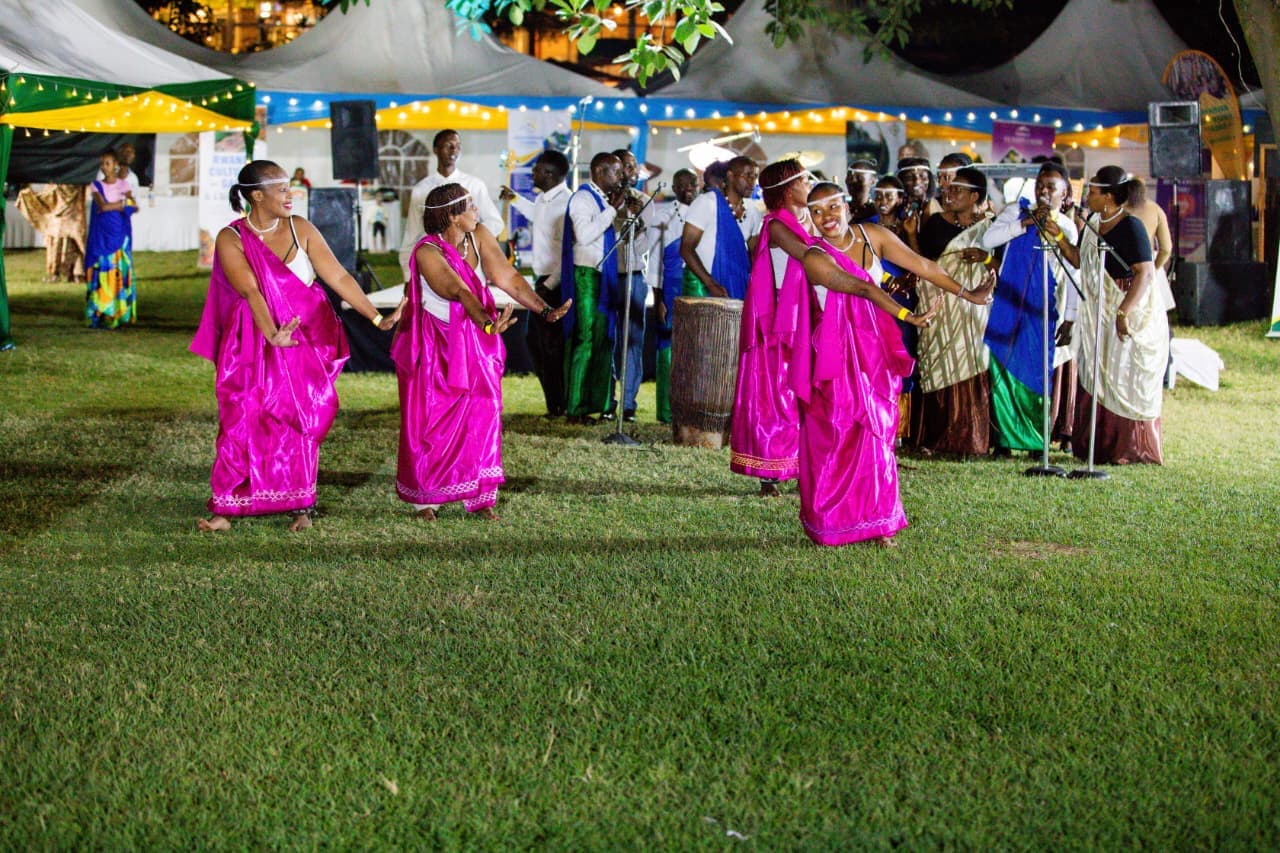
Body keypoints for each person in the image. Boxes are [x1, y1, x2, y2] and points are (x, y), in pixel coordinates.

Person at [190, 160, 404, 532]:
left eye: (290, 188)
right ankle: (225, 510)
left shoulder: (300, 228)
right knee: (242, 417)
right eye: (282, 189)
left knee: (299, 421)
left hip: (305, 342)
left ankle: (300, 507)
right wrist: (271, 333)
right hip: (252, 343)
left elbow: (337, 275)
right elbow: (249, 288)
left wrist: (374, 317)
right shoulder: (232, 237)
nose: (292, 195)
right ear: (257, 195)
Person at [394, 183, 571, 519]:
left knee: (483, 413)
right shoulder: (427, 252)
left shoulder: (480, 236)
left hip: (477, 341)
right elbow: (458, 290)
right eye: (470, 206)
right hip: (436, 345)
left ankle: (480, 497)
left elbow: (508, 277)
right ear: (452, 216)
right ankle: (426, 499)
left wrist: (543, 310)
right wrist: (488, 324)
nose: (477, 211)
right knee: (431, 421)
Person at [797, 182, 939, 547]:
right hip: (834, 356)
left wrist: (966, 293)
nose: (826, 217)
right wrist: (908, 315)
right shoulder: (815, 254)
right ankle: (830, 523)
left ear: (846, 206)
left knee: (876, 436)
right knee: (834, 436)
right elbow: (861, 289)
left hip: (874, 353)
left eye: (832, 207)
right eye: (816, 211)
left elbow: (919, 266)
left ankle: (880, 523)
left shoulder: (871, 237)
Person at [1049, 166, 1167, 465]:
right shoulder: (1092, 222)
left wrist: (1123, 311)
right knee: (1095, 371)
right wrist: (1059, 237)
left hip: (1126, 305)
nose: (1087, 196)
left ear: (1110, 196)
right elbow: (1079, 260)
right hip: (1096, 311)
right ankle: (1096, 446)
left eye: (1093, 191)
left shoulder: (1132, 226)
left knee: (1122, 373)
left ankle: (1126, 448)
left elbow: (1145, 273)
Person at [982, 161, 1081, 455]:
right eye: (1040, 185)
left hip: (1042, 309)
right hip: (1008, 304)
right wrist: (1023, 224)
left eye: (1051, 187)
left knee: (1037, 373)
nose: (1044, 191)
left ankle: (1037, 441)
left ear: (1064, 195)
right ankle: (1004, 441)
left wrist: (1071, 318)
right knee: (1003, 366)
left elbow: (1074, 273)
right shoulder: (1015, 211)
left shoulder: (1065, 227)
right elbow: (989, 240)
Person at [729, 159, 814, 496]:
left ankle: (799, 464)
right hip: (779, 322)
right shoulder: (777, 225)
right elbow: (811, 257)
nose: (810, 185)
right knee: (777, 394)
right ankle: (770, 472)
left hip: (802, 315)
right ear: (789, 189)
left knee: (800, 394)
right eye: (805, 180)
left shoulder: (803, 219)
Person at [912, 166, 996, 456]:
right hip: (937, 304)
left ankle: (969, 439)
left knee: (971, 359)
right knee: (935, 362)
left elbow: (1003, 268)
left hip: (972, 311)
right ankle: (934, 439)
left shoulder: (990, 228)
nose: (949, 193)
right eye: (948, 188)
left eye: (958, 189)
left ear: (975, 196)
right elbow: (923, 263)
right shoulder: (934, 223)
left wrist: (986, 258)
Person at [500, 149, 572, 418]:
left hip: (555, 283)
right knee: (537, 344)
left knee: (551, 347)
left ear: (551, 175)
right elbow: (538, 216)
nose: (533, 174)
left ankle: (559, 405)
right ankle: (554, 403)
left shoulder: (566, 204)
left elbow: (567, 252)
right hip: (542, 280)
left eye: (537, 170)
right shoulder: (545, 199)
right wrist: (515, 199)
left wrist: (549, 285)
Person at [561, 152, 627, 424]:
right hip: (586, 276)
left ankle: (594, 403)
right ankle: (575, 408)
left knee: (602, 341)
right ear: (599, 171)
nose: (620, 177)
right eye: (616, 172)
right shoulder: (583, 197)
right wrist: (613, 210)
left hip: (602, 274)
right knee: (586, 340)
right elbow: (586, 235)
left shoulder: (602, 198)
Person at [399, 129, 504, 280]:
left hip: (468, 265)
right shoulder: (421, 189)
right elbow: (412, 235)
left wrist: (468, 239)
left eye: (458, 146)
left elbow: (495, 223)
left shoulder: (474, 185)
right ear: (436, 149)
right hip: (434, 264)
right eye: (448, 145)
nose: (454, 150)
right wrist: (409, 277)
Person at [606, 148, 655, 422]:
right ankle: (606, 400)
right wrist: (617, 213)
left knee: (632, 341)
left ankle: (628, 404)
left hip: (634, 276)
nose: (631, 172)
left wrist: (638, 221)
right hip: (608, 276)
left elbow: (643, 245)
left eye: (633, 167)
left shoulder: (645, 201)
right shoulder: (601, 201)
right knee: (606, 339)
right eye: (625, 167)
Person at [680, 155, 762, 299]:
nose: (752, 182)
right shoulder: (707, 203)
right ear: (730, 176)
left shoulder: (752, 211)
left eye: (755, 177)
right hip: (703, 286)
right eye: (747, 176)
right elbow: (686, 249)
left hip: (738, 285)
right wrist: (710, 283)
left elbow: (754, 253)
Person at [653, 168, 698, 424]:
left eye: (692, 183)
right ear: (674, 187)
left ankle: (691, 409)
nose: (688, 188)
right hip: (670, 287)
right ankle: (666, 412)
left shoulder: (706, 213)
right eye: (682, 185)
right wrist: (658, 298)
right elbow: (655, 263)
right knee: (668, 347)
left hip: (698, 286)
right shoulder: (664, 217)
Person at [85, 150, 138, 329]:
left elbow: (133, 205)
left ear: (115, 164)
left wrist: (120, 205)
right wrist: (121, 205)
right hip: (102, 237)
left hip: (120, 235)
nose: (104, 167)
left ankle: (119, 311)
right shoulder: (96, 185)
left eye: (107, 163)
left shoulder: (124, 184)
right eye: (102, 163)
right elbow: (102, 206)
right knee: (102, 273)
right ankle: (101, 311)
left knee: (118, 272)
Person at [844, 159, 879, 223]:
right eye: (849, 177)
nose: (852, 181)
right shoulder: (842, 208)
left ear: (873, 181)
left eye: (859, 178)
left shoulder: (876, 213)